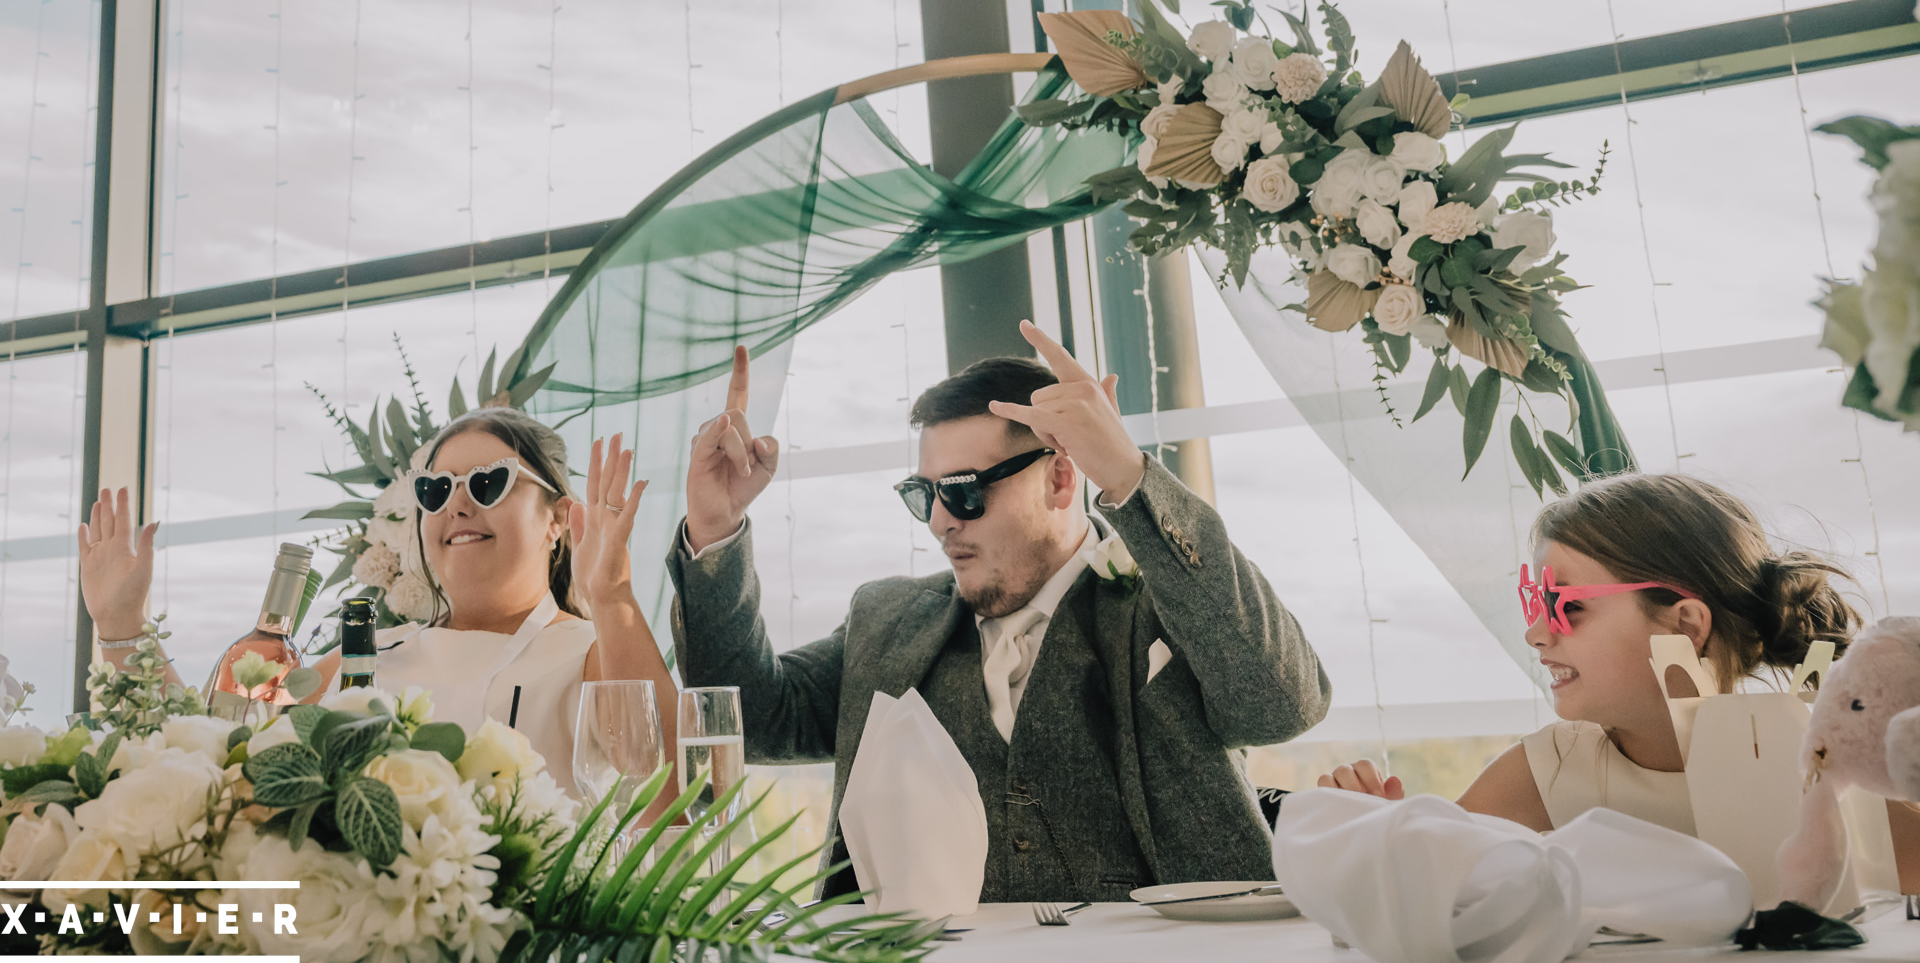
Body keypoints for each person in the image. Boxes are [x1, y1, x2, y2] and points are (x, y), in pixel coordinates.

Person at [668, 320, 1331, 902]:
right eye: (921, 493)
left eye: (960, 491)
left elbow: (1281, 704)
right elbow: (748, 719)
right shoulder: (887, 619)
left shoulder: (1173, 600)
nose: (936, 521)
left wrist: (1130, 476)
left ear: (1063, 476)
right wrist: (714, 532)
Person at [78, 409, 678, 797]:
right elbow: (211, 750)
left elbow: (668, 788)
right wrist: (122, 627)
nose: (457, 506)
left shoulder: (590, 652)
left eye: (489, 482)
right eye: (436, 490)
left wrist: (613, 597)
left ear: (558, 520)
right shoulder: (368, 655)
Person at [1318, 474, 1892, 841]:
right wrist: (1375, 836)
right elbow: (1433, 881)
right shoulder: (1550, 770)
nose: (1537, 635)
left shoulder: (1822, 758)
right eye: (1534, 604)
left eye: (1568, 606)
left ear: (1684, 624)